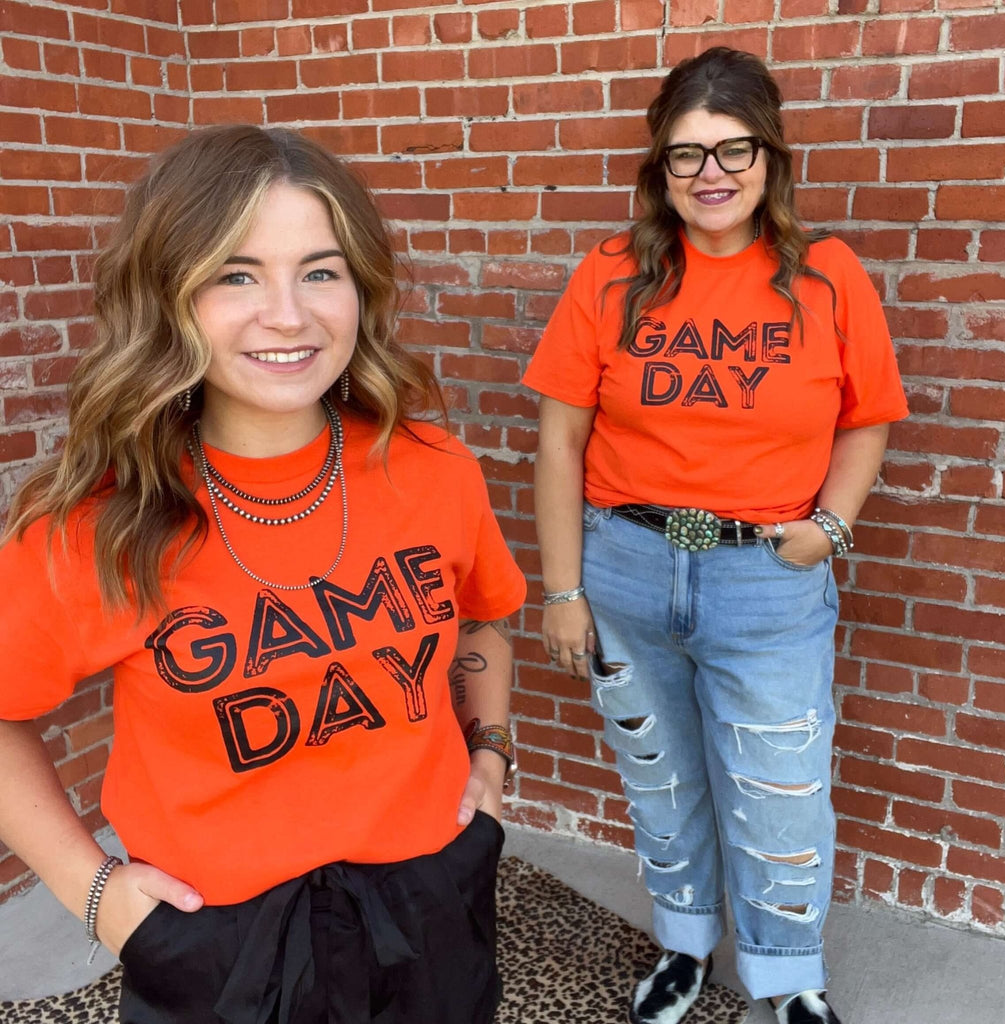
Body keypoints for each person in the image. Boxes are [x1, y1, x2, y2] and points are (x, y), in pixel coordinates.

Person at [0, 124, 526, 1024]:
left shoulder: (435, 469)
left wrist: (490, 752)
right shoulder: (94, 526)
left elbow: (479, 620)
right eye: (236, 273)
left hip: (430, 906)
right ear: (169, 294)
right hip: (217, 942)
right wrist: (95, 893)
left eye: (320, 271)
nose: (288, 314)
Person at [523, 47, 907, 1024]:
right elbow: (560, 437)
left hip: (765, 579)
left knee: (780, 789)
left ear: (771, 157)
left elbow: (866, 418)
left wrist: (831, 525)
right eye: (685, 154)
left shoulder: (826, 276)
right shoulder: (613, 274)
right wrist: (562, 590)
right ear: (658, 168)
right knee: (662, 779)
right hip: (625, 568)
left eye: (734, 149)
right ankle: (685, 945)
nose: (711, 173)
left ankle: (785, 980)